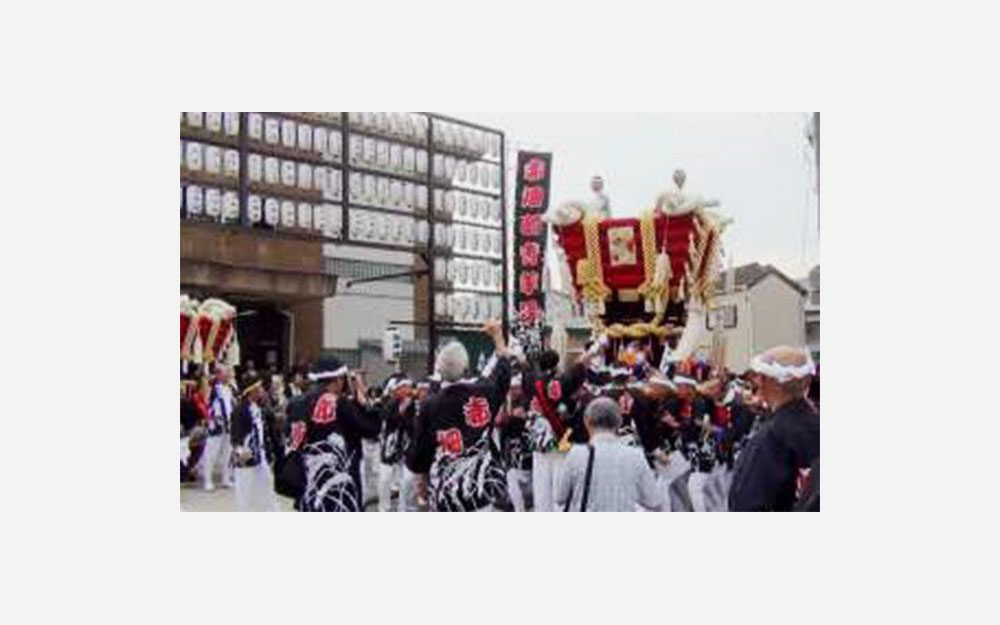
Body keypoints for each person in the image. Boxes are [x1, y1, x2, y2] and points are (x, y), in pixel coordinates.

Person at [406, 321, 511, 511]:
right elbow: (503, 373)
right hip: (481, 495)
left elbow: (419, 456)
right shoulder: (483, 393)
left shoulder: (429, 406)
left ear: (439, 371)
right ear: (465, 368)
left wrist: (421, 490)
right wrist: (498, 337)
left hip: (446, 496)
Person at [729, 346, 820, 512]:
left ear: (774, 383)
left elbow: (746, 503)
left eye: (761, 376)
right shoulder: (817, 422)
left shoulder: (772, 437)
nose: (757, 382)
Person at [289, 357, 382, 511]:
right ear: (338, 380)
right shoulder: (341, 403)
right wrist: (365, 402)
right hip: (339, 477)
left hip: (307, 476)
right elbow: (371, 429)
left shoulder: (297, 403)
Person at [555, 397, 663, 511]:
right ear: (619, 422)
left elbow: (560, 498)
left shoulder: (576, 454)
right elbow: (653, 501)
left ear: (587, 422)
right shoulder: (635, 455)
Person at [230, 374, 279, 511]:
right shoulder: (240, 410)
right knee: (244, 493)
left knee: (268, 487)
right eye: (259, 388)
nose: (262, 390)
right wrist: (240, 450)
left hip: (261, 456)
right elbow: (235, 434)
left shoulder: (258, 408)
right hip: (246, 457)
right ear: (251, 391)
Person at [377, 375, 417, 512]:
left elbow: (413, 426)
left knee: (407, 480)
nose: (405, 390)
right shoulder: (391, 403)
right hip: (390, 445)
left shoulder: (413, 404)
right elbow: (388, 421)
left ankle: (404, 508)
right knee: (385, 477)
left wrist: (406, 411)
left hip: (406, 445)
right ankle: (384, 508)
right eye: (402, 387)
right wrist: (400, 411)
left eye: (407, 387)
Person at [200, 365, 235, 491]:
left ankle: (225, 478)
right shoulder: (214, 388)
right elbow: (209, 405)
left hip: (229, 425)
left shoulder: (230, 388)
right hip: (217, 424)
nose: (228, 376)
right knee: (212, 452)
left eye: (228, 373)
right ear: (219, 375)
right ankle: (207, 479)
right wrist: (214, 419)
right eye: (225, 373)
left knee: (227, 452)